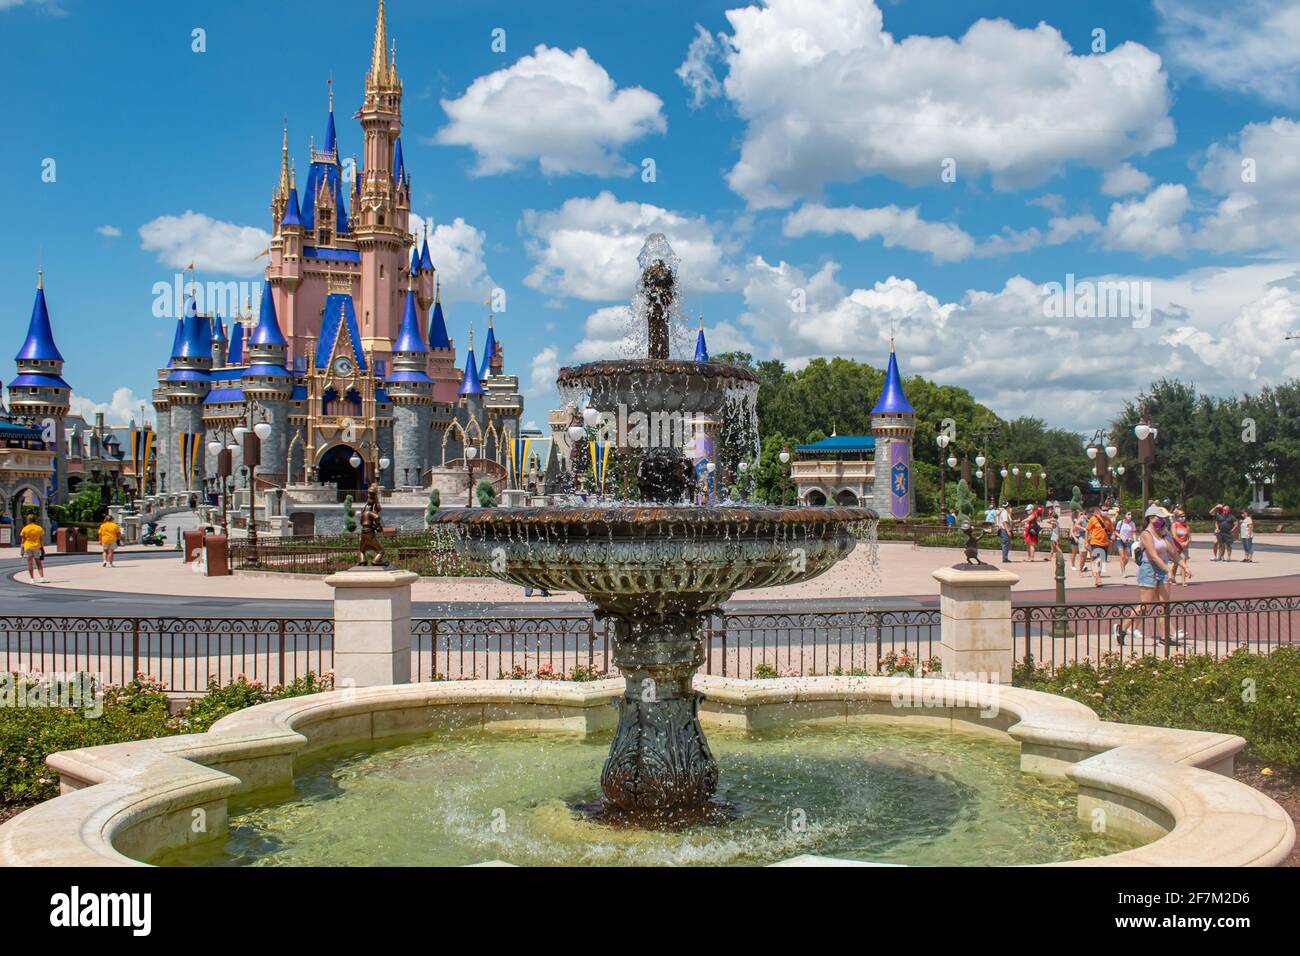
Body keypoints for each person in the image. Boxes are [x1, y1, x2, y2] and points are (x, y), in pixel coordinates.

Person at [1116, 506, 1181, 648]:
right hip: (1149, 569)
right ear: (1151, 518)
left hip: (1162, 569)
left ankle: (1164, 637)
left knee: (1164, 605)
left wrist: (1184, 566)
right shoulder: (1146, 534)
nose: (1163, 520)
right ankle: (1122, 628)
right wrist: (1169, 570)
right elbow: (1153, 555)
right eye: (1160, 518)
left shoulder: (1164, 532)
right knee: (1146, 605)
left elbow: (1173, 552)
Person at [1085, 506, 1114, 587]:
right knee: (1098, 560)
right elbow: (1087, 529)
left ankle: (1097, 578)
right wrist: (1086, 541)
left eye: (1106, 510)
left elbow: (1111, 530)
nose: (1105, 511)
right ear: (1100, 510)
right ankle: (1098, 578)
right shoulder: (1094, 519)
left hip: (1105, 543)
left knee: (1102, 562)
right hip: (1095, 542)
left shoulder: (1108, 520)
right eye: (1103, 510)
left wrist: (1112, 537)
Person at [20, 513, 47, 583]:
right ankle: (42, 578)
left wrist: (21, 550)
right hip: (37, 547)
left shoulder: (25, 528)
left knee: (30, 563)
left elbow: (23, 541)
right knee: (39, 563)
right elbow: (41, 540)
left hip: (27, 547)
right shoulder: (39, 528)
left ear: (28, 520)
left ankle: (32, 579)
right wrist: (43, 549)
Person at [1170, 509, 1192, 584]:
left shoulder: (1186, 526)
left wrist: (1186, 542)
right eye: (1181, 516)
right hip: (1176, 547)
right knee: (1176, 564)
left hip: (1184, 548)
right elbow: (1174, 536)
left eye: (1184, 516)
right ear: (1177, 517)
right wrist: (1180, 543)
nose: (1183, 517)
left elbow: (1189, 537)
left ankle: (1183, 581)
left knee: (1183, 563)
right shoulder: (1175, 525)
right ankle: (1172, 578)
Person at [1115, 510, 1136, 576]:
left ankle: (1122, 566)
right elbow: (1116, 532)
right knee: (1122, 556)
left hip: (1128, 541)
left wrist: (1135, 540)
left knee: (1127, 557)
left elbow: (1134, 532)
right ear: (1125, 515)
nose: (1130, 516)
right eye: (1128, 514)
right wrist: (1121, 537)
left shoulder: (1132, 523)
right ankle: (1123, 571)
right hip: (1120, 540)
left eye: (1131, 514)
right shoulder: (1120, 522)